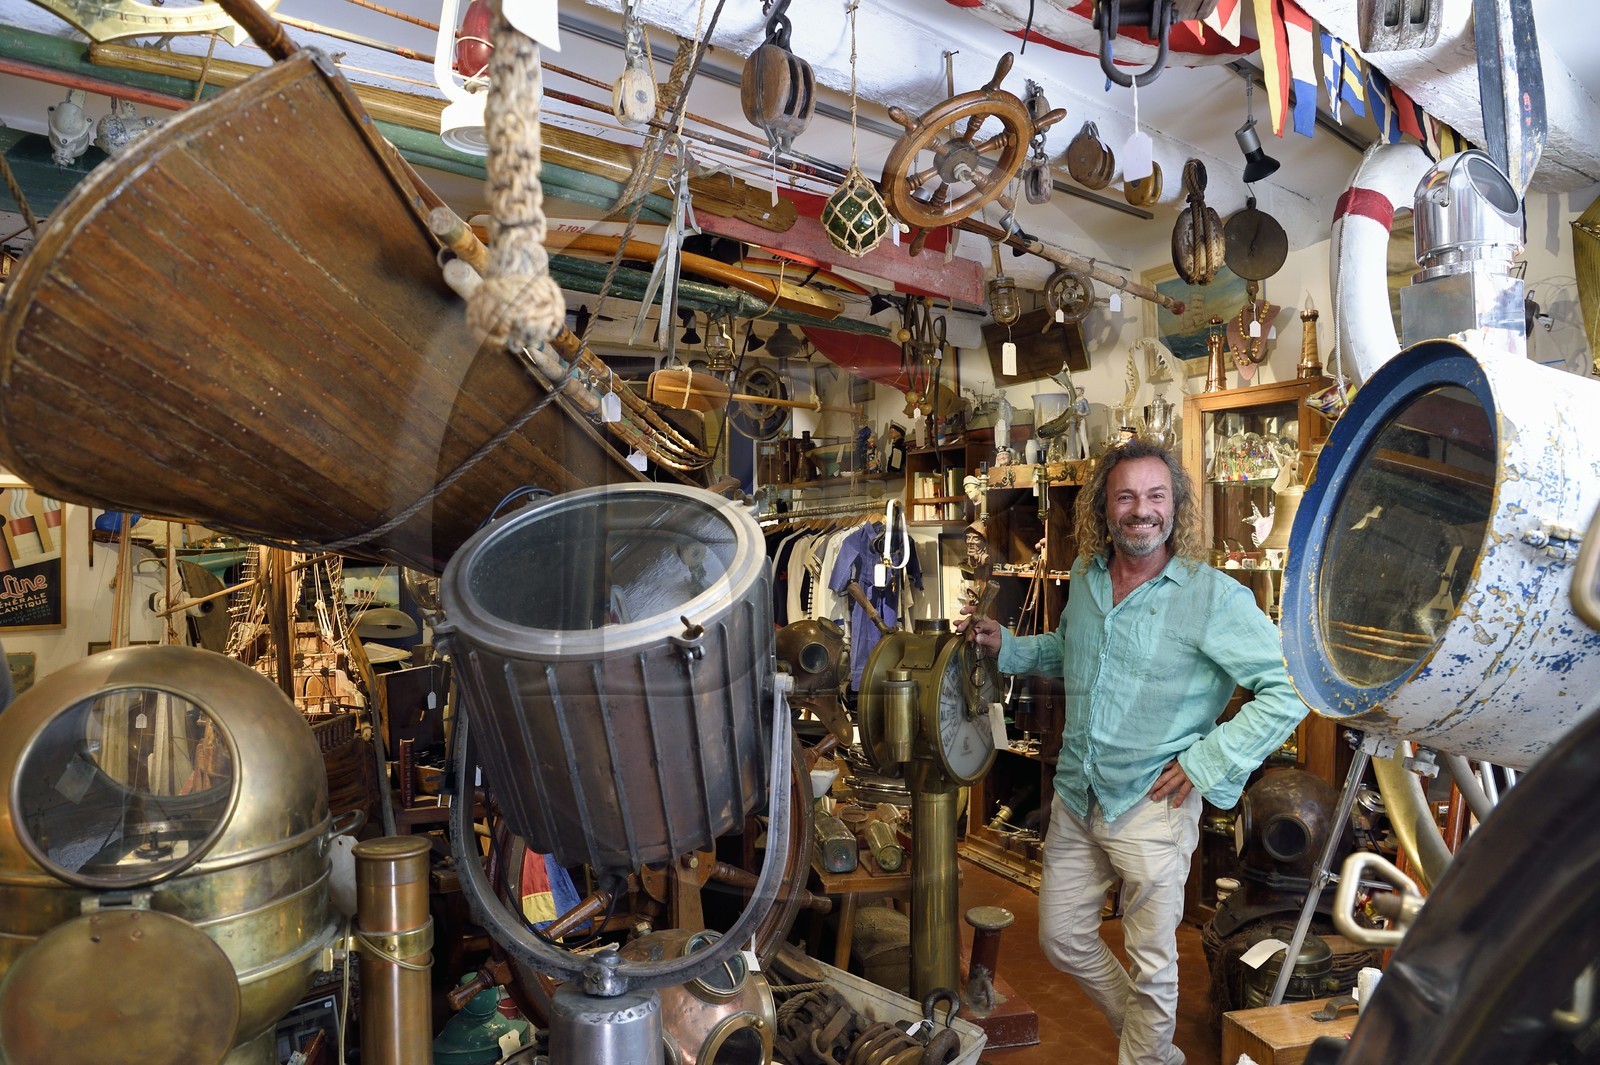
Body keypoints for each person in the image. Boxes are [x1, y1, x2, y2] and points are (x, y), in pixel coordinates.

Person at [957, 438, 1307, 1065]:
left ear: (1175, 506)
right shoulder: (1089, 580)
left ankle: (1145, 1056)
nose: (1140, 510)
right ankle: (1151, 1044)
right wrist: (1007, 645)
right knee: (1062, 938)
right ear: (1105, 508)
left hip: (1153, 803)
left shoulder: (1214, 598)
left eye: (1154, 496)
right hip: (1078, 791)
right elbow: (1071, 650)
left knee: (1153, 963)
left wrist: (1205, 761)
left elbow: (1287, 690)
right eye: (1125, 496)